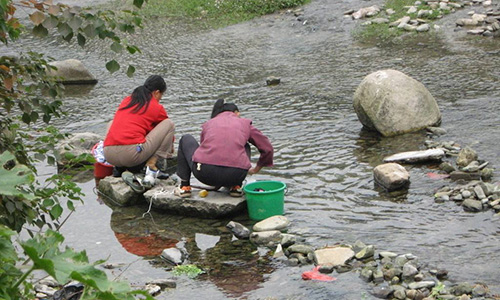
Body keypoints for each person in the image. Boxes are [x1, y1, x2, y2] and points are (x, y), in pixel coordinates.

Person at [175, 99, 273, 198]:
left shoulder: (209, 123)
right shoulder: (245, 124)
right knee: (245, 145)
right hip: (235, 175)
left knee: (185, 138)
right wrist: (256, 169)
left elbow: (204, 149)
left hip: (204, 174)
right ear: (236, 113)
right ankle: (236, 186)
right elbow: (267, 148)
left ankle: (185, 187)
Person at [103, 75, 175, 188]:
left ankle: (119, 168)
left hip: (109, 154)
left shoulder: (127, 100)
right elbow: (165, 130)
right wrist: (169, 148)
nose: (160, 99)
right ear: (156, 92)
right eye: (161, 95)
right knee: (169, 124)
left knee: (111, 123)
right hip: (131, 155)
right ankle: (151, 165)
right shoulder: (155, 106)